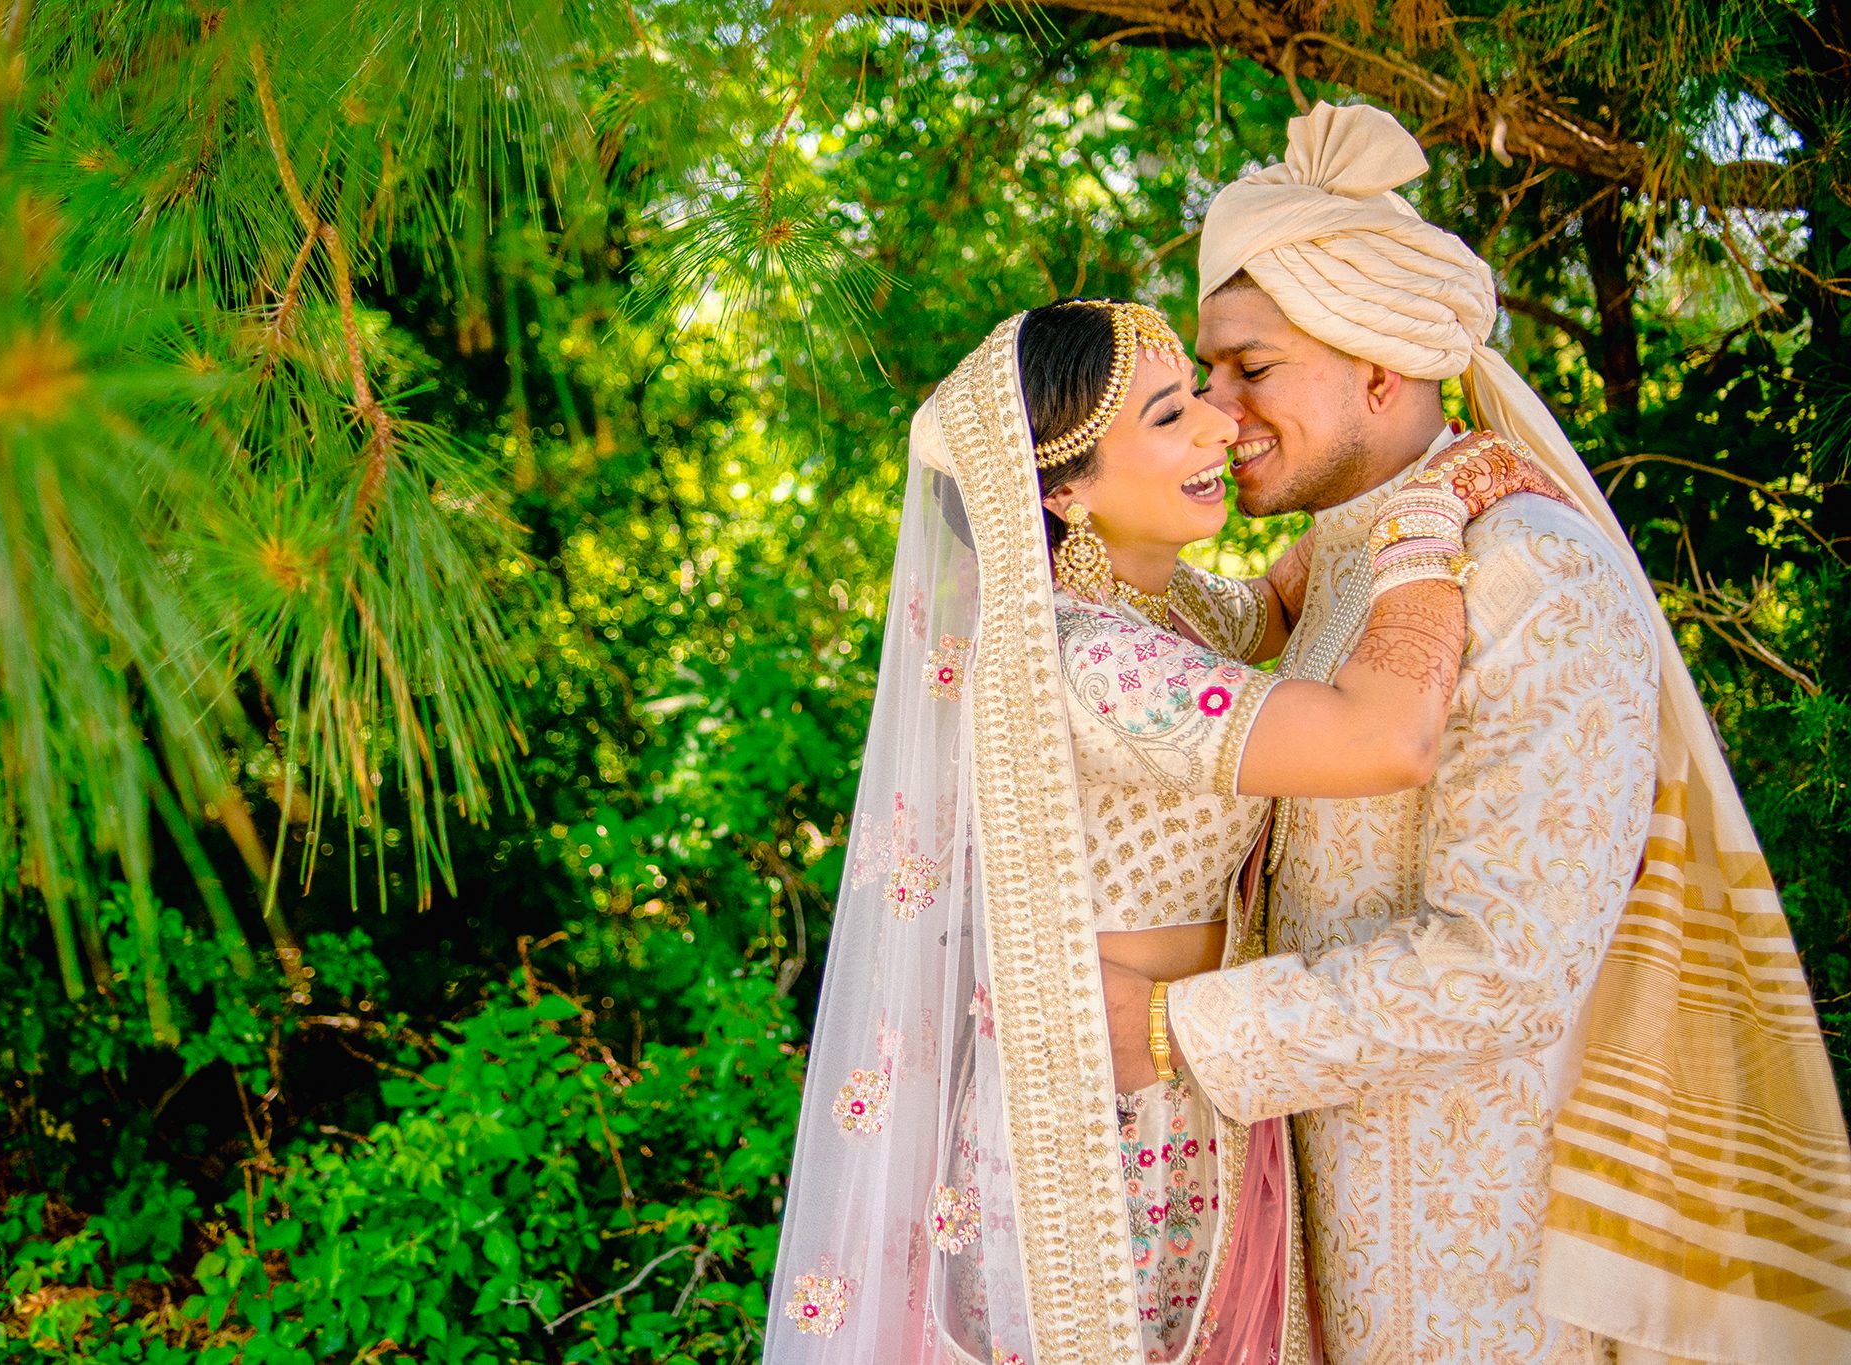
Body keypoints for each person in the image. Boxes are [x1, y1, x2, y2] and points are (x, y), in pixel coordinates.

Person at [1114, 101, 1851, 1364]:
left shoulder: (1525, 574)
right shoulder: (1354, 558)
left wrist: (1174, 1030)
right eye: (1208, 372)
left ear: (1377, 372)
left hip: (1489, 1261)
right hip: (1321, 1227)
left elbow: (1504, 962)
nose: (1221, 413)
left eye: (1250, 368)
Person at [764, 295, 1562, 1365]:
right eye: (1169, 415)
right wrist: (1430, 511)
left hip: (1175, 1093)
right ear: (1062, 490)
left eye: (1201, 397)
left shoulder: (1164, 611)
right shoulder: (1093, 664)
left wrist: (1394, 460)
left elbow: (1281, 604)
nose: (1219, 428)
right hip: (1104, 1137)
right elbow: (1383, 739)